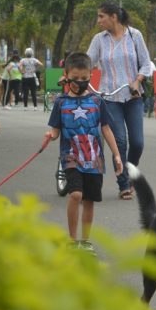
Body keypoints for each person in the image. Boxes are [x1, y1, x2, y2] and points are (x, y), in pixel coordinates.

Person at [45, 52, 123, 253]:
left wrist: (116, 155)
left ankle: (85, 241)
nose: (80, 82)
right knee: (76, 195)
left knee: (89, 199)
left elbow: (106, 129)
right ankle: (72, 240)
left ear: (90, 76)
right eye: (76, 78)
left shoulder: (97, 102)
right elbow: (55, 129)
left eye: (84, 79)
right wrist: (50, 135)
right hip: (71, 156)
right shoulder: (61, 103)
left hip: (94, 158)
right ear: (67, 75)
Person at [87, 1, 154, 200]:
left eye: (101, 16)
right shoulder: (99, 40)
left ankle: (130, 173)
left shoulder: (135, 35)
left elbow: (146, 64)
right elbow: (88, 62)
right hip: (109, 97)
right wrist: (71, 72)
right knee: (120, 141)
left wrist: (137, 81)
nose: (98, 20)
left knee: (137, 143)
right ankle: (124, 183)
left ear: (113, 17)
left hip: (132, 96)